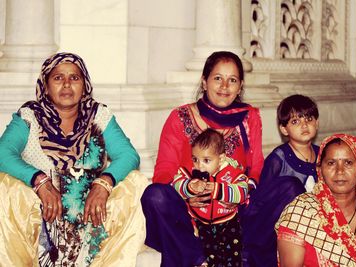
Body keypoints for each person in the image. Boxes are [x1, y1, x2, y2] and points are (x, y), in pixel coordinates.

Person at [0, 52, 148, 266]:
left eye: (74, 78)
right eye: (58, 78)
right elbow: (2, 153)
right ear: (46, 85)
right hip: (41, 219)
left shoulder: (97, 115)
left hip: (91, 218)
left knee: (136, 182)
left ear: (84, 84)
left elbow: (128, 155)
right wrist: (39, 181)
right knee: (5, 186)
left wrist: (103, 184)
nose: (67, 84)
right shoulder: (30, 116)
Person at [141, 51, 264, 267]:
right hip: (190, 215)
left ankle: (238, 252)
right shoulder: (180, 117)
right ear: (204, 82)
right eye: (218, 78)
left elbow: (255, 169)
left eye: (232, 80)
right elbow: (164, 172)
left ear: (240, 86)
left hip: (234, 213)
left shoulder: (249, 117)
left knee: (288, 188)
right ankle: (198, 258)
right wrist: (188, 194)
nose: (224, 86)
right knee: (155, 196)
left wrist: (238, 197)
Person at [276, 134, 356, 266]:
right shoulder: (300, 214)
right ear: (319, 169)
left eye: (348, 163)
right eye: (331, 163)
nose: (340, 171)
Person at [240, 94, 320, 266]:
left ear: (317, 123)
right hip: (272, 230)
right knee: (292, 186)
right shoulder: (279, 158)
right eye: (295, 121)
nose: (304, 125)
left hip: (310, 226)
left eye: (309, 118)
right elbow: (260, 203)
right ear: (284, 129)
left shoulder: (322, 155)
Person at [172, 128, 249, 266]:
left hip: (228, 224)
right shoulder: (190, 172)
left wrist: (219, 190)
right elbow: (176, 184)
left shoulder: (232, 173)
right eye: (195, 159)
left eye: (206, 160)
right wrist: (189, 187)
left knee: (232, 259)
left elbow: (242, 192)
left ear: (221, 159)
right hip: (200, 225)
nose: (199, 166)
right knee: (206, 258)